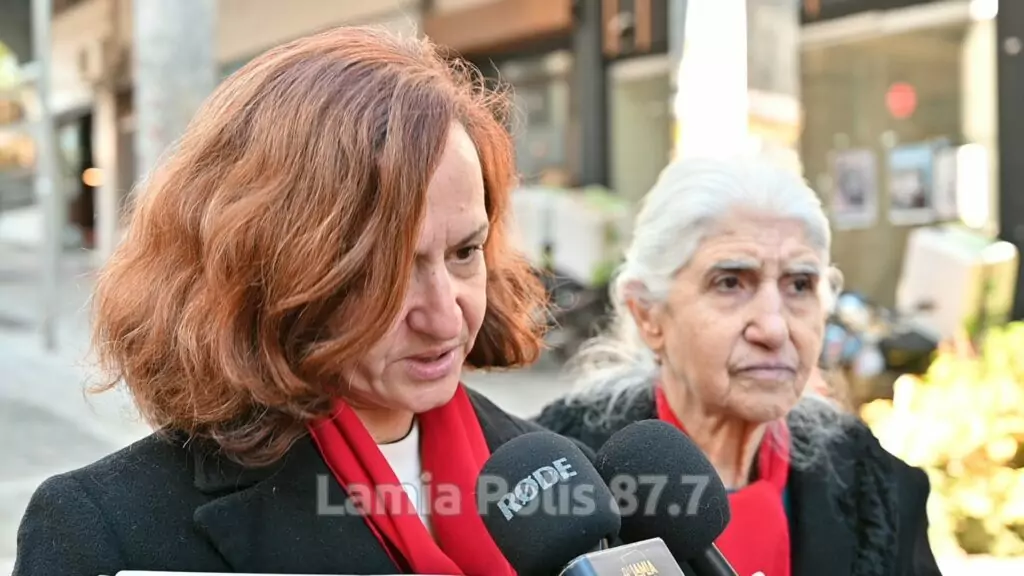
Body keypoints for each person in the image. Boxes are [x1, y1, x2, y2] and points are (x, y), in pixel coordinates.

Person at [15, 27, 553, 576]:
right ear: (263, 268)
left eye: (464, 252)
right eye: (384, 272)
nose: (443, 317)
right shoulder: (105, 532)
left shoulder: (557, 475)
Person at [534, 157, 943, 576]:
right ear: (648, 314)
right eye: (729, 283)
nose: (774, 328)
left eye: (800, 285)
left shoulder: (876, 489)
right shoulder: (554, 487)